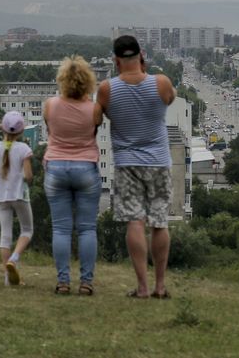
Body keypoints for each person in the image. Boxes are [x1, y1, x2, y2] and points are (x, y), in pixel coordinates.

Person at [97, 35, 175, 299]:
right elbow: (170, 98)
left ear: (116, 60)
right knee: (160, 223)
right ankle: (160, 286)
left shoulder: (107, 88)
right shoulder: (161, 83)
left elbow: (101, 115)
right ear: (141, 55)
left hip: (126, 163)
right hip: (159, 162)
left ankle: (142, 287)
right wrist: (145, 71)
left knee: (135, 221)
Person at [42, 55, 102, 295]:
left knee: (61, 229)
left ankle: (63, 281)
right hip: (86, 167)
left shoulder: (50, 105)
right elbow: (94, 131)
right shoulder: (94, 109)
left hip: (56, 168)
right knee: (87, 229)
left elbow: (49, 128)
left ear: (62, 80)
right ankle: (86, 283)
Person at [0, 111, 34, 286]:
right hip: (19, 195)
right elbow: (28, 176)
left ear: (2, 128)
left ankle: (7, 278)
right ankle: (15, 258)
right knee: (27, 230)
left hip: (0, 196)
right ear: (20, 132)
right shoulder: (24, 149)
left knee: (5, 236)